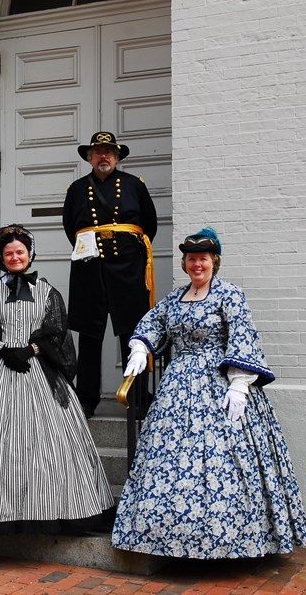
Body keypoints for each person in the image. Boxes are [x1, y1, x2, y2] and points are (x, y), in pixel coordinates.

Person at [112, 227, 306, 558]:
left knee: (224, 460)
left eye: (202, 259)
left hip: (220, 386)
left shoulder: (228, 295)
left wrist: (240, 385)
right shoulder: (175, 297)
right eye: (191, 259)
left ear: (214, 261)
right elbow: (153, 322)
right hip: (178, 390)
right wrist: (141, 347)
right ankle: (168, 538)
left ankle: (231, 541)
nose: (196, 265)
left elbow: (241, 336)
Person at [0, 224, 115, 533]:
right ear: (1, 258)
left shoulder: (47, 292)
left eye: (20, 252)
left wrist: (31, 349)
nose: (15, 257)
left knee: (48, 448)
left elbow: (58, 334)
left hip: (38, 369)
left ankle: (52, 511)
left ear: (29, 254)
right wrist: (4, 350)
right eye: (9, 253)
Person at [62, 131, 157, 417]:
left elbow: (149, 225)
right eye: (98, 152)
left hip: (127, 268)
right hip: (89, 268)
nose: (104, 156)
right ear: (90, 157)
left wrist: (128, 251)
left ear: (117, 157)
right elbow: (71, 228)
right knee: (90, 335)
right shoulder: (76, 189)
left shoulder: (134, 185)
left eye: (109, 152)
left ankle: (138, 397)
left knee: (132, 333)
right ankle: (86, 399)